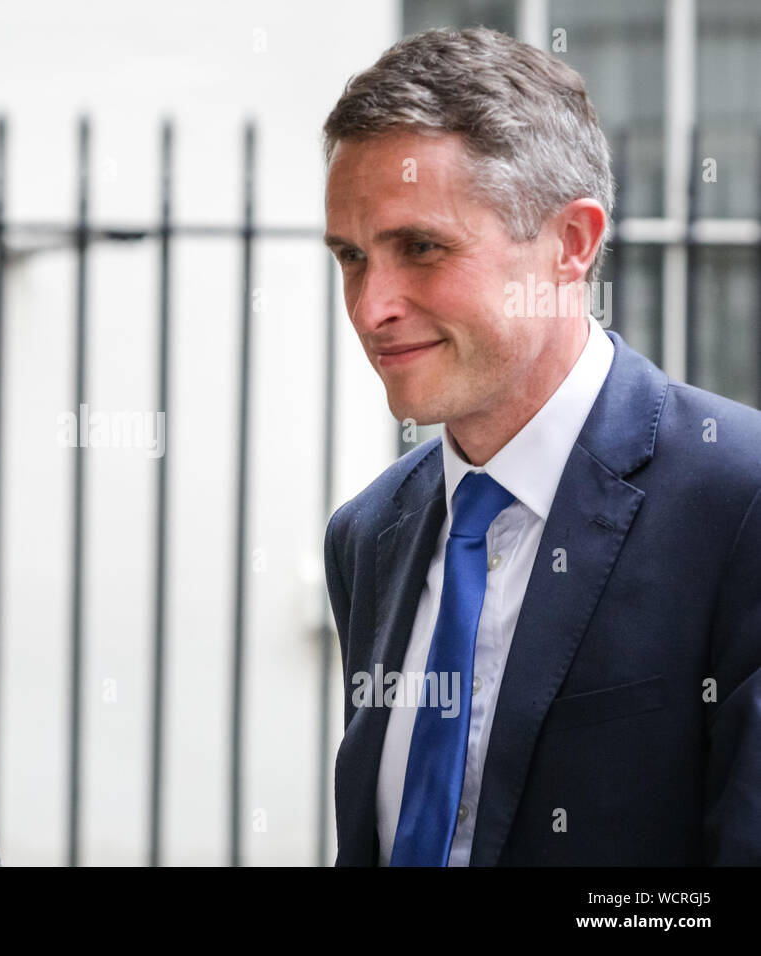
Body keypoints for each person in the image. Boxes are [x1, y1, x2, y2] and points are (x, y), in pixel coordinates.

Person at [321, 27, 760, 865]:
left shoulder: (740, 502)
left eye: (421, 247)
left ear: (571, 246)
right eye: (351, 256)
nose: (371, 305)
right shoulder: (367, 534)